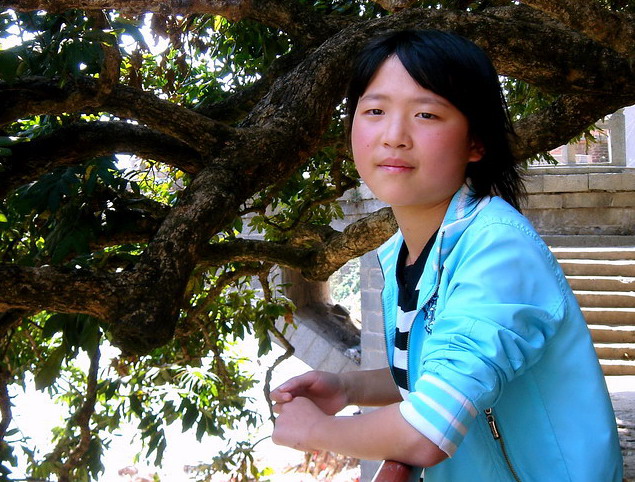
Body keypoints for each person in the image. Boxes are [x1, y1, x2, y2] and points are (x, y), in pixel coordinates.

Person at [270, 30, 623, 481]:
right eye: (375, 111)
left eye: (426, 114)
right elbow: (433, 373)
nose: (394, 136)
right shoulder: (403, 252)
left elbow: (429, 430)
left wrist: (316, 431)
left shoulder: (497, 250)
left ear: (477, 142)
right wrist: (347, 386)